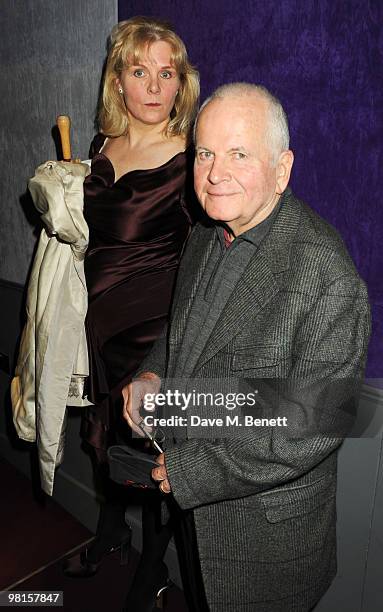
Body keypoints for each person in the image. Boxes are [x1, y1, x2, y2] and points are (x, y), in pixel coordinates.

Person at [123, 83, 371, 611]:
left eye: (239, 154)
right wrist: (151, 375)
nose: (214, 174)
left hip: (265, 541)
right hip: (194, 519)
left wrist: (193, 472)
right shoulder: (207, 232)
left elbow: (311, 421)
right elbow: (183, 330)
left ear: (282, 169)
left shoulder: (326, 274)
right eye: (205, 154)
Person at [63, 16, 199, 611]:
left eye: (165, 73)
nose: (152, 85)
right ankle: (111, 530)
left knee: (154, 460)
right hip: (99, 326)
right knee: (106, 441)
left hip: (152, 336)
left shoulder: (193, 160)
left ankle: (151, 570)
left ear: (180, 84)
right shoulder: (99, 147)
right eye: (138, 70)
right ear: (118, 81)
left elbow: (210, 258)